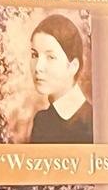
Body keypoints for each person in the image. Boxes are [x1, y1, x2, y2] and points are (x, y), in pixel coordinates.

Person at [28, 14, 93, 144]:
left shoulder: (90, 124)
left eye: (50, 57)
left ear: (73, 66)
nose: (38, 67)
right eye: (35, 55)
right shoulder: (43, 120)